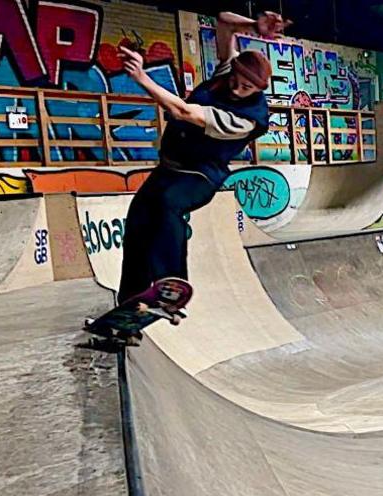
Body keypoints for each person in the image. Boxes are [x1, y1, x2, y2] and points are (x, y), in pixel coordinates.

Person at [114, 10, 289, 304]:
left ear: (258, 90)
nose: (236, 89)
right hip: (169, 168)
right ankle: (132, 300)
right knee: (138, 221)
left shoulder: (246, 119)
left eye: (246, 88)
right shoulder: (227, 75)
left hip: (200, 176)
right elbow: (223, 21)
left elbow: (182, 111)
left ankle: (172, 284)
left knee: (169, 203)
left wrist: (142, 78)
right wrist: (254, 25)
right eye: (235, 80)